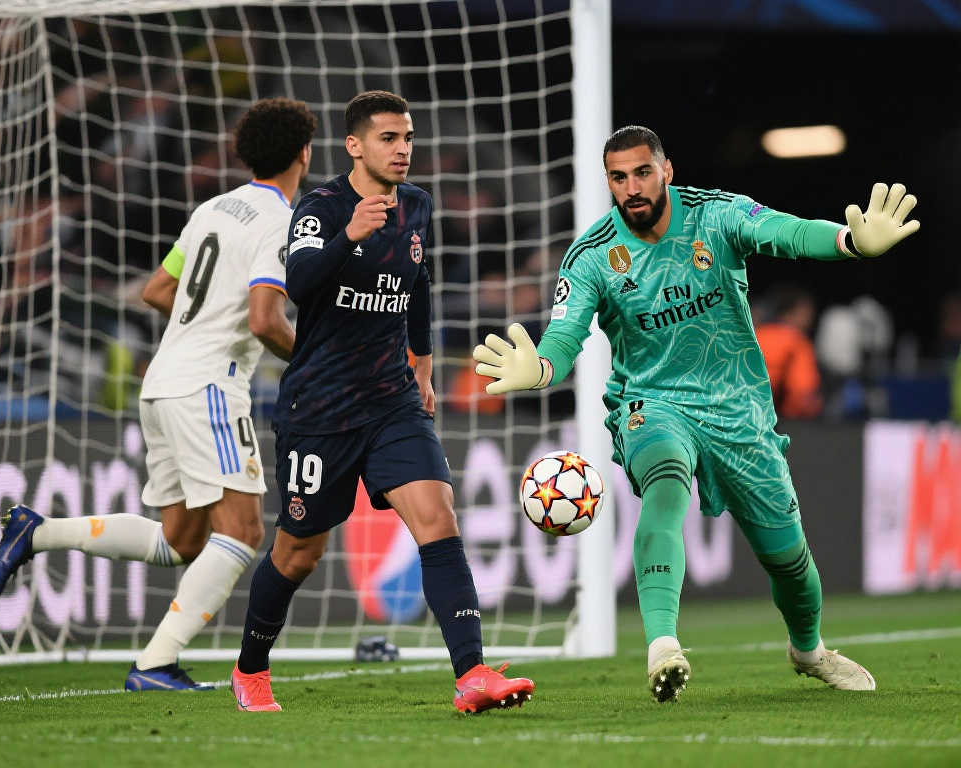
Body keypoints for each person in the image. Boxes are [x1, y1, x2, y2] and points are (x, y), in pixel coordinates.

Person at [473, 125, 919, 702]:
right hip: (652, 402)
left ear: (666, 170)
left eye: (642, 172)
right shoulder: (592, 256)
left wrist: (849, 242)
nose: (631, 187)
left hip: (739, 411)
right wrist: (537, 368)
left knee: (790, 562)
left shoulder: (717, 215)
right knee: (664, 484)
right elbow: (563, 340)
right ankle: (663, 644)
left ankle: (809, 651)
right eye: (618, 177)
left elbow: (787, 232)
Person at [0, 97, 314, 690]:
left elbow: (158, 289)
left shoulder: (215, 207)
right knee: (242, 532)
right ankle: (155, 663)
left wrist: (205, 321)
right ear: (304, 155)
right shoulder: (281, 221)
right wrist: (314, 358)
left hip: (163, 380)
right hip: (208, 385)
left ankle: (37, 532)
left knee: (179, 541)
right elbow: (266, 320)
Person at [229, 90, 534, 714]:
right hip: (320, 407)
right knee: (298, 553)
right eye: (389, 138)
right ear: (355, 145)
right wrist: (349, 235)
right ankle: (250, 669)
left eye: (408, 138)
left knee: (437, 517)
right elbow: (300, 286)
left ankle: (472, 673)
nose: (402, 150)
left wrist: (422, 368)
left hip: (392, 399)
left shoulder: (417, 204)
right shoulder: (320, 208)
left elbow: (418, 287)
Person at [755, 285, 823, 419]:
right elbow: (802, 393)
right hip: (777, 418)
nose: (811, 319)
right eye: (807, 313)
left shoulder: (755, 335)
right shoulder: (797, 341)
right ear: (791, 312)